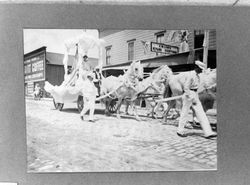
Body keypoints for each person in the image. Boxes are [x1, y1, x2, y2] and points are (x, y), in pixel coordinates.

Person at [177, 60, 217, 139]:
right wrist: (192, 97)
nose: (201, 70)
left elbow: (199, 86)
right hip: (188, 95)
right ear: (196, 67)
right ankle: (180, 131)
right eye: (200, 69)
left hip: (194, 94)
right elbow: (186, 88)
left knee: (201, 113)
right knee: (185, 113)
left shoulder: (198, 76)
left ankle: (208, 132)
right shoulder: (191, 75)